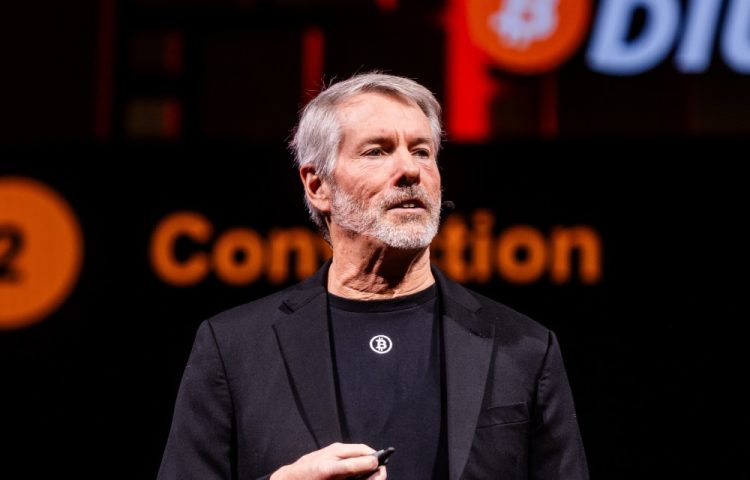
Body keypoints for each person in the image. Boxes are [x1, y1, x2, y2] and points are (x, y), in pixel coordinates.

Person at [157, 72, 589, 480]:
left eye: (421, 151)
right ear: (317, 186)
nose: (410, 170)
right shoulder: (234, 347)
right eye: (376, 151)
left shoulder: (526, 347)